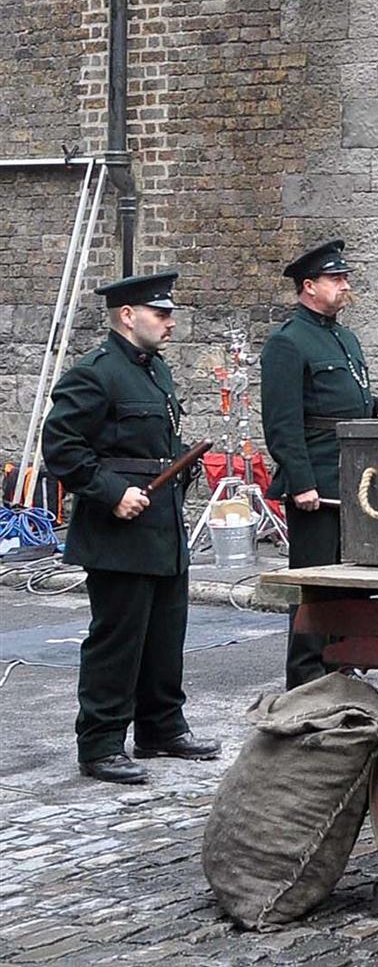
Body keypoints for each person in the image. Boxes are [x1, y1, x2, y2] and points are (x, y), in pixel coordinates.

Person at [43, 271, 217, 784]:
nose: (170, 323)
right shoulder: (94, 373)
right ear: (127, 316)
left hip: (161, 524)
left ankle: (161, 727)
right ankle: (99, 744)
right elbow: (63, 449)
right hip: (119, 528)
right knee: (117, 638)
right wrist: (111, 492)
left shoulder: (154, 371)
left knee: (166, 633)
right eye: (160, 314)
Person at [262, 239, 378, 688]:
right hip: (316, 485)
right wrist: (300, 481)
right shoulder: (288, 342)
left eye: (345, 278)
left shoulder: (344, 336)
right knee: (316, 589)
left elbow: (349, 400)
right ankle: (306, 683)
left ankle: (342, 671)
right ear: (309, 286)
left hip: (351, 479)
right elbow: (283, 423)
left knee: (349, 585)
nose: (345, 286)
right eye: (336, 279)